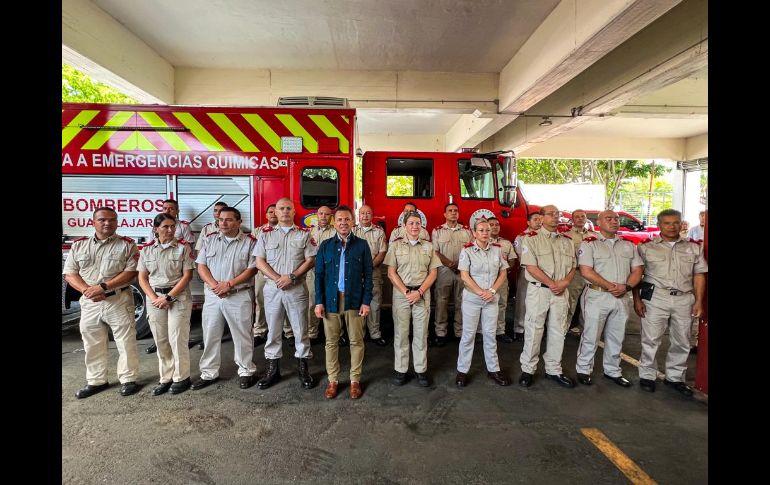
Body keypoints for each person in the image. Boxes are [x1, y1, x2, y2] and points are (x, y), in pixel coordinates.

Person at [63, 207, 141, 398]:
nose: (107, 223)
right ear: (93, 222)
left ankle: (129, 379)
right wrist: (86, 290)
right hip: (90, 302)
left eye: (112, 220)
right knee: (92, 342)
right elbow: (70, 273)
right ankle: (97, 381)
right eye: (102, 220)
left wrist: (103, 287)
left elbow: (131, 272)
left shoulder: (127, 245)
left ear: (117, 222)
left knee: (125, 341)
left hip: (118, 300)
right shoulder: (79, 246)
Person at [634, 209, 707, 396]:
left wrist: (699, 301)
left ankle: (675, 378)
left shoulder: (693, 247)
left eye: (676, 222)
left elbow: (699, 275)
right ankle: (647, 375)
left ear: (681, 224)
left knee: (682, 340)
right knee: (650, 339)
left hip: (684, 298)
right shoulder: (646, 247)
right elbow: (636, 275)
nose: (672, 226)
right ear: (659, 225)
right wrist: (637, 299)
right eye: (667, 223)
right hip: (655, 297)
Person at [254, 197, 318, 390]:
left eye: (288, 208)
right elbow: (259, 261)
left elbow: (310, 259)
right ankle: (273, 369)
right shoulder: (265, 235)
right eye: (280, 208)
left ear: (293, 211)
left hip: (296, 287)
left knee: (300, 329)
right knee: (273, 330)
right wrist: (276, 278)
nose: (284, 212)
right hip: (273, 288)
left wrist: (291, 276)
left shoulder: (304, 234)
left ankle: (303, 367)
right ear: (275, 212)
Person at [574, 210, 644, 387]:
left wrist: (626, 287)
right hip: (597, 295)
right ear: (598, 222)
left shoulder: (629, 245)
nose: (614, 222)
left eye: (616, 219)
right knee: (591, 335)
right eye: (609, 219)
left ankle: (612, 371)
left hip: (622, 296)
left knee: (617, 336)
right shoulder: (589, 244)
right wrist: (611, 286)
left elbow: (637, 270)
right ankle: (583, 369)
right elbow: (586, 271)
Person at [192, 207, 258, 391]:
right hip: (213, 295)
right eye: (221, 220)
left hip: (239, 295)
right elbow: (201, 266)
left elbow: (252, 269)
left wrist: (228, 284)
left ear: (239, 222)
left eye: (228, 220)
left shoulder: (250, 242)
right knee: (210, 334)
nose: (223, 223)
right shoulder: (210, 240)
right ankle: (209, 373)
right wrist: (215, 285)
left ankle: (246, 371)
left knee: (242, 335)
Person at [314, 206, 373, 399]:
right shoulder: (325, 246)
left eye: (347, 219)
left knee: (356, 341)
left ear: (352, 221)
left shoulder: (362, 245)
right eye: (339, 219)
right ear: (334, 222)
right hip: (331, 300)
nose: (343, 223)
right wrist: (319, 302)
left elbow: (369, 276)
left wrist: (366, 302)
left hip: (354, 300)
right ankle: (333, 381)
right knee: (331, 342)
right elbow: (319, 276)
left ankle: (355, 380)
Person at [517, 205, 577, 389]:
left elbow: (573, 266)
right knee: (534, 329)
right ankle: (528, 369)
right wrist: (552, 283)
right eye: (551, 214)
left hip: (561, 291)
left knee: (559, 330)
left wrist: (565, 282)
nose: (555, 217)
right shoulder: (531, 239)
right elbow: (531, 267)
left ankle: (554, 369)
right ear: (541, 218)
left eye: (557, 214)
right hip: (540, 290)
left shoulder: (567, 240)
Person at [137, 213, 196, 395]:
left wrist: (168, 297)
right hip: (155, 298)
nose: (170, 230)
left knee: (177, 338)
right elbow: (142, 277)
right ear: (155, 229)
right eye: (165, 227)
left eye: (173, 226)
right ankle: (166, 377)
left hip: (177, 297)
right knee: (161, 339)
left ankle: (181, 377)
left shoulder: (182, 248)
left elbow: (187, 276)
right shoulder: (146, 250)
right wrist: (154, 298)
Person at [384, 211, 441, 387]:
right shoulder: (395, 246)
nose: (415, 226)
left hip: (422, 294)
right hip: (402, 295)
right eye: (411, 223)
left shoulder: (428, 247)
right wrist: (407, 292)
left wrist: (420, 291)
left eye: (418, 223)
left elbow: (433, 272)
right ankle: (401, 370)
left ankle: (420, 370)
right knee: (401, 333)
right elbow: (391, 272)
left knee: (421, 334)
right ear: (404, 226)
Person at [455, 220, 512, 387]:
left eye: (487, 230)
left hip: (491, 299)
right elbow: (464, 275)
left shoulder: (497, 250)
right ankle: (462, 371)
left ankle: (493, 369)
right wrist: (481, 292)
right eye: (481, 230)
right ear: (474, 233)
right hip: (473, 299)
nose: (485, 233)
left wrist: (492, 291)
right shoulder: (467, 251)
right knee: (468, 335)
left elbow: (503, 273)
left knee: (490, 334)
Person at [432, 203, 473, 346]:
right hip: (444, 270)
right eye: (450, 211)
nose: (453, 213)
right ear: (444, 214)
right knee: (441, 301)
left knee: (461, 302)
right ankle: (440, 332)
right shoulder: (437, 231)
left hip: (463, 271)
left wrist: (460, 266)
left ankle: (459, 332)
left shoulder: (467, 232)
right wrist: (450, 264)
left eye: (456, 210)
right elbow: (435, 252)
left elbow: (471, 250)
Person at [352, 205, 388, 346]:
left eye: (368, 213)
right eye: (362, 213)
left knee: (374, 304)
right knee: (356, 304)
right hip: (354, 275)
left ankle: (375, 333)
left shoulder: (379, 232)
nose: (365, 216)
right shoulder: (352, 230)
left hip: (373, 273)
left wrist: (368, 267)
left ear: (372, 215)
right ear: (358, 215)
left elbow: (382, 252)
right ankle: (358, 334)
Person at [253, 204, 287, 346]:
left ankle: (288, 331)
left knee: (286, 303)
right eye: (270, 212)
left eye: (275, 211)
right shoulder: (258, 231)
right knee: (260, 301)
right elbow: (253, 255)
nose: (273, 214)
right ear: (266, 215)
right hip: (262, 273)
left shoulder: (287, 230)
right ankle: (260, 331)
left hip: (283, 274)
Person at [564, 209, 598, 335]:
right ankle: (564, 329)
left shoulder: (594, 236)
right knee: (570, 303)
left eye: (582, 216)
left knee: (590, 303)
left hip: (592, 274)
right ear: (572, 219)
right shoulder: (566, 236)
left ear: (586, 218)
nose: (580, 219)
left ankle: (585, 331)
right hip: (575, 273)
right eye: (577, 217)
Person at [307, 206, 337, 343]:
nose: (324, 216)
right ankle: (312, 333)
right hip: (313, 272)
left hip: (332, 273)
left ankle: (335, 334)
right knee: (313, 302)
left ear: (331, 216)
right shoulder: (308, 232)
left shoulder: (336, 231)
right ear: (317, 215)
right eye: (321, 214)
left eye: (327, 214)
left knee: (332, 302)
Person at [512, 212, 542, 339]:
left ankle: (537, 329)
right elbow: (520, 257)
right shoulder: (521, 237)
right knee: (523, 301)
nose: (539, 222)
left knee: (541, 302)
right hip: (527, 272)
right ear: (528, 223)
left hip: (545, 273)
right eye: (535, 219)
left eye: (540, 219)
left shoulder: (546, 237)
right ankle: (520, 329)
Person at [487, 217, 517, 343]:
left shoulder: (506, 243)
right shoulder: (480, 241)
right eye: (491, 225)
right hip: (485, 280)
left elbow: (512, 259)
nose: (494, 227)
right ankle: (481, 332)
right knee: (484, 304)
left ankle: (500, 332)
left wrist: (505, 270)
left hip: (502, 279)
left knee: (502, 304)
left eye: (497, 224)